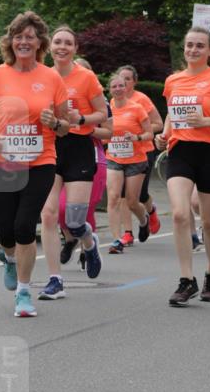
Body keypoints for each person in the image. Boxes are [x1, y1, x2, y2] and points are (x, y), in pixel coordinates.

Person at [0, 12, 68, 317]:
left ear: (40, 42)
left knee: (25, 225)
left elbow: (66, 124)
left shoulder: (52, 77)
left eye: (29, 36)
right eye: (18, 36)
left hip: (40, 161)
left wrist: (55, 122)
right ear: (11, 41)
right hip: (2, 161)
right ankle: (10, 258)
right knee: (5, 230)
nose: (23, 41)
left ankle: (24, 294)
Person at [156, 27, 210, 306]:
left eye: (199, 46)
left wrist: (206, 122)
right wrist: (164, 134)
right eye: (189, 45)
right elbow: (171, 112)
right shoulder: (173, 81)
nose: (193, 50)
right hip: (180, 151)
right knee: (180, 214)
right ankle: (186, 280)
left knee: (208, 220)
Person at [38, 28, 108, 299]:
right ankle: (55, 279)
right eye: (57, 42)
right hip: (51, 146)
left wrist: (82, 119)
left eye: (68, 43)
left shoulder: (86, 77)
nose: (62, 47)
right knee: (48, 214)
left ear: (75, 48)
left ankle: (89, 243)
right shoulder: (42, 76)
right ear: (50, 46)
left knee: (74, 220)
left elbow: (104, 117)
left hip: (79, 147)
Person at [58, 58, 109, 267]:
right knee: (57, 210)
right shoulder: (56, 88)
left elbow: (109, 131)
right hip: (59, 151)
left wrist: (84, 125)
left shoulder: (100, 102)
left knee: (84, 211)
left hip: (90, 155)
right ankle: (70, 240)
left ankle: (86, 249)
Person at [98, 72, 153, 253]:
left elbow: (149, 134)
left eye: (121, 85)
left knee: (131, 201)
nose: (118, 89)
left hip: (136, 160)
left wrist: (136, 137)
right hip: (114, 158)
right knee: (113, 198)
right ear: (109, 90)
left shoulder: (136, 108)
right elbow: (104, 134)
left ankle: (144, 220)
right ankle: (116, 240)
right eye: (114, 86)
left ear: (126, 88)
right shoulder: (107, 108)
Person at [117, 65, 163, 245]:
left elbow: (158, 123)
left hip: (143, 151)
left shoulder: (141, 100)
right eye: (121, 78)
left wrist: (138, 131)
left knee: (140, 195)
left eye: (128, 79)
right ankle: (127, 233)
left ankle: (150, 212)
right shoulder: (114, 101)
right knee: (122, 195)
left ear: (134, 82)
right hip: (120, 153)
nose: (124, 82)